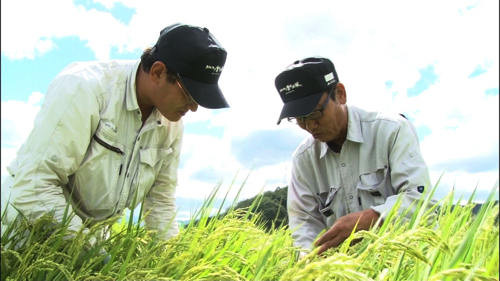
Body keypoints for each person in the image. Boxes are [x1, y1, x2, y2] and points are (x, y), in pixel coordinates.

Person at [1, 23, 229, 248]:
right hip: (21, 229)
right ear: (158, 72)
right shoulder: (85, 88)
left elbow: (160, 201)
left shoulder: (171, 122)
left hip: (89, 240)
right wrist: (90, 253)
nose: (194, 107)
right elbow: (34, 184)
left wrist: (173, 266)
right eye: (190, 93)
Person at [274, 57, 434, 256]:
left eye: (315, 114)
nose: (310, 127)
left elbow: (421, 201)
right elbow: (304, 227)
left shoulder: (391, 130)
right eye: (299, 119)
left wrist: (373, 218)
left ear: (340, 94)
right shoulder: (304, 159)